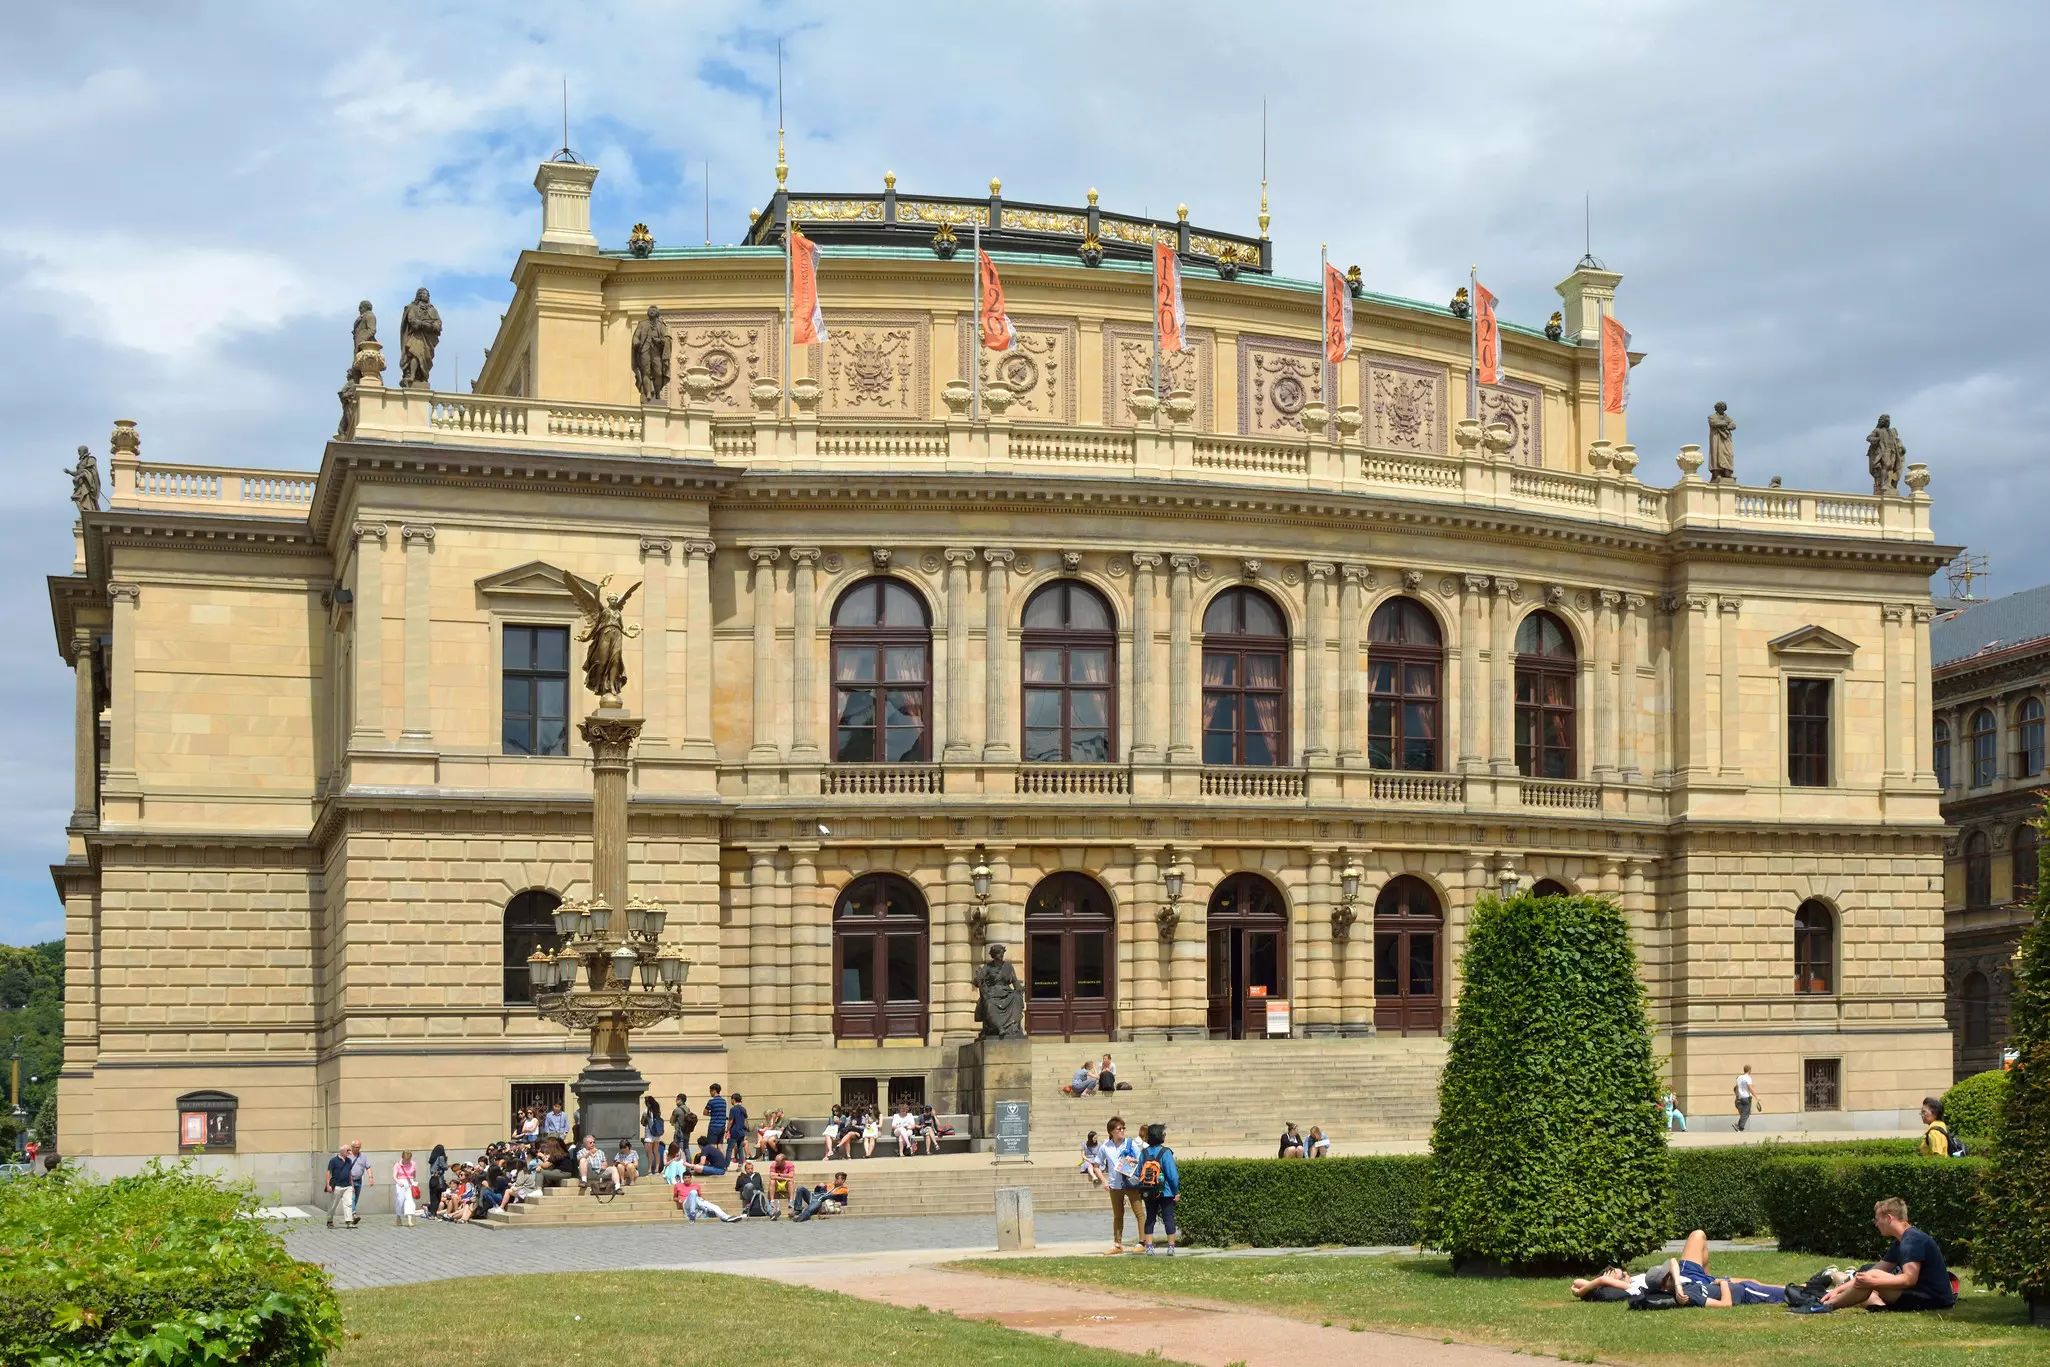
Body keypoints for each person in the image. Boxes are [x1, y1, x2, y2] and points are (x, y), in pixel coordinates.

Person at [1814, 1198, 1956, 1313]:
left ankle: (1828, 1306)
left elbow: (1909, 1280)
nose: (1876, 1224)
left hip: (1933, 1299)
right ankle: (1830, 1301)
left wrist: (1873, 1283)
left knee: (1871, 1280)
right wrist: (1838, 1289)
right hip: (1920, 1294)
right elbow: (1874, 1271)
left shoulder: (1912, 1241)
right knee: (1870, 1279)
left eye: (1877, 1219)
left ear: (1888, 1218)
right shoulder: (1902, 1241)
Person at [1095, 1117, 1144, 1253]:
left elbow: (1141, 1160)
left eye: (1123, 1128)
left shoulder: (1130, 1143)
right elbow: (1096, 1165)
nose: (1122, 1131)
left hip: (1130, 1183)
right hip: (1114, 1185)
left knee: (1139, 1212)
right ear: (1111, 1131)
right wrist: (1104, 1181)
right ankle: (1117, 1244)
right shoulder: (1105, 1147)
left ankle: (1142, 1241)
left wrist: (1133, 1159)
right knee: (1118, 1215)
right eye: (1119, 1128)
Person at [1136, 1122, 1180, 1255]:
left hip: (1148, 1190)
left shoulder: (1144, 1153)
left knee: (1150, 1218)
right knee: (1168, 1218)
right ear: (1161, 1136)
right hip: (1165, 1191)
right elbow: (1172, 1175)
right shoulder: (1166, 1152)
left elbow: (1139, 1172)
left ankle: (1149, 1246)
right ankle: (1171, 1246)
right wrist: (1176, 1191)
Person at [673, 1173, 741, 1223]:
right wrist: (678, 1199)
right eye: (685, 1178)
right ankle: (692, 1214)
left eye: (688, 1178)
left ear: (691, 1178)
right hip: (686, 1203)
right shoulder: (678, 1185)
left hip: (696, 1201)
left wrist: (702, 1200)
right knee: (693, 1192)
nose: (686, 1179)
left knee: (714, 1206)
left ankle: (726, 1217)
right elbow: (674, 1197)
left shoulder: (696, 1185)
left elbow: (700, 1196)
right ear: (683, 1178)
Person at [324, 1144, 356, 1228]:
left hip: (347, 1186)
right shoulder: (333, 1160)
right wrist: (328, 1185)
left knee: (348, 1204)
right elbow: (328, 1173)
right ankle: (329, 1221)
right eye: (347, 1150)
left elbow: (350, 1173)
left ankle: (349, 1222)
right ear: (342, 1151)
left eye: (350, 1150)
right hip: (337, 1186)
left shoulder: (349, 1161)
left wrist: (352, 1186)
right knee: (333, 1205)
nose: (349, 1152)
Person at [392, 1150, 419, 1227]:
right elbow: (394, 1175)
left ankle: (409, 1219)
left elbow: (414, 1174)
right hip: (401, 1182)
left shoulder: (413, 1163)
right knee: (400, 1200)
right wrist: (398, 1182)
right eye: (406, 1159)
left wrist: (414, 1182)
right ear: (403, 1157)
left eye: (409, 1159)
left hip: (410, 1182)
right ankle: (398, 1216)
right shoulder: (397, 1165)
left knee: (410, 1200)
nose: (407, 1161)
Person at [702, 1084, 728, 1159]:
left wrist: (712, 1114)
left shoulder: (711, 1101)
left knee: (712, 1146)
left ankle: (714, 1162)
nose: (710, 1093)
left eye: (710, 1091)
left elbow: (705, 1112)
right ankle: (723, 1163)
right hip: (722, 1126)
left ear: (714, 1090)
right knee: (720, 1145)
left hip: (713, 1127)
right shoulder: (724, 1101)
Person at [641, 1096, 666, 1174]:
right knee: (656, 1152)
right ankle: (656, 1170)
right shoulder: (657, 1111)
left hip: (649, 1133)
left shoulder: (646, 1111)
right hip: (657, 1134)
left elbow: (642, 1122)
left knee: (648, 1152)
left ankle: (649, 1170)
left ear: (648, 1103)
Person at [348, 1141, 372, 1217]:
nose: (358, 1149)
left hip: (358, 1180)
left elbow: (368, 1167)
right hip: (349, 1180)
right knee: (352, 1197)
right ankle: (354, 1214)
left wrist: (370, 1178)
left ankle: (351, 1213)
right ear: (352, 1147)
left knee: (356, 1198)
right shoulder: (348, 1156)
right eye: (356, 1147)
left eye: (359, 1147)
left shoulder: (363, 1156)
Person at [725, 1094, 750, 1160]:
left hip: (734, 1131)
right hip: (741, 1132)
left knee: (729, 1149)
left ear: (733, 1099)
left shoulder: (733, 1109)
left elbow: (731, 1121)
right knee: (740, 1148)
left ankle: (726, 1165)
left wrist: (727, 1131)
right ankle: (740, 1164)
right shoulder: (743, 1109)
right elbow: (745, 1121)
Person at [426, 1143, 450, 1212]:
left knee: (432, 1197)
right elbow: (444, 1167)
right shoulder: (441, 1158)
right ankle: (434, 1213)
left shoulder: (432, 1159)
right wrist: (448, 1165)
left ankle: (431, 1212)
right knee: (437, 1197)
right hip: (438, 1179)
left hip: (432, 1179)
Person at [1733, 1065, 1757, 1131]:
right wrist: (1756, 1097)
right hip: (1747, 1097)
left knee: (1747, 1112)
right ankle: (1739, 1126)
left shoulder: (1739, 1078)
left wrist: (1737, 1097)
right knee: (1745, 1112)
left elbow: (1737, 1088)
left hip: (1741, 1097)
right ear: (1749, 1070)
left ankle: (1739, 1126)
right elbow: (1750, 1088)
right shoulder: (1748, 1078)